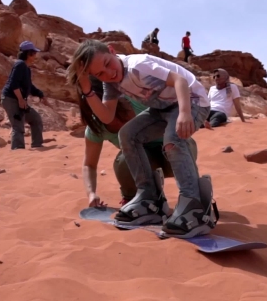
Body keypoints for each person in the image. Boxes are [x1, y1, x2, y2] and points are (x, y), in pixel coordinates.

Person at [67, 40, 216, 238]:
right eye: (100, 73)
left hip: (192, 101)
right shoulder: (111, 83)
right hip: (163, 109)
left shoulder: (138, 66)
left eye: (107, 63)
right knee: (128, 135)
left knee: (173, 139)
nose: (108, 73)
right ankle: (149, 199)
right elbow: (107, 117)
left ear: (112, 50)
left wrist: (184, 113)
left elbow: (179, 80)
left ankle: (193, 206)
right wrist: (87, 90)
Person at [80, 76, 198, 209]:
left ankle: (194, 198)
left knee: (176, 147)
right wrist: (91, 193)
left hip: (172, 153)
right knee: (124, 161)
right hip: (142, 162)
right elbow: (89, 164)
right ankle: (138, 199)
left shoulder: (140, 103)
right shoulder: (96, 126)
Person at [0, 40, 45, 150]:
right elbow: (13, 84)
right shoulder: (19, 64)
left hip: (18, 99)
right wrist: (20, 99)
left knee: (35, 119)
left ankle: (37, 145)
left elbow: (29, 86)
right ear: (28, 53)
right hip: (11, 99)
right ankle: (18, 150)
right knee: (18, 125)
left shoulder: (26, 68)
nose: (35, 56)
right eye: (34, 53)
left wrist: (40, 94)